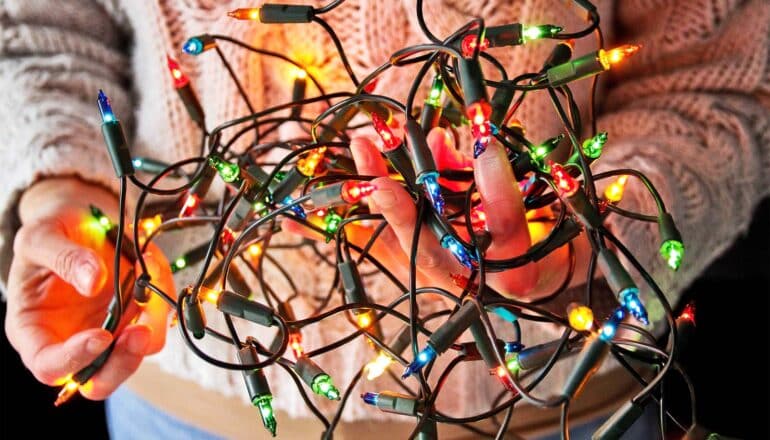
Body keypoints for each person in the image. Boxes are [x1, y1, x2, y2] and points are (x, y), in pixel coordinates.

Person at [1, 0, 768, 438]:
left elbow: (721, 83)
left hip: (564, 412)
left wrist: (591, 234)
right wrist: (62, 191)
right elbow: (43, 33)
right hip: (179, 413)